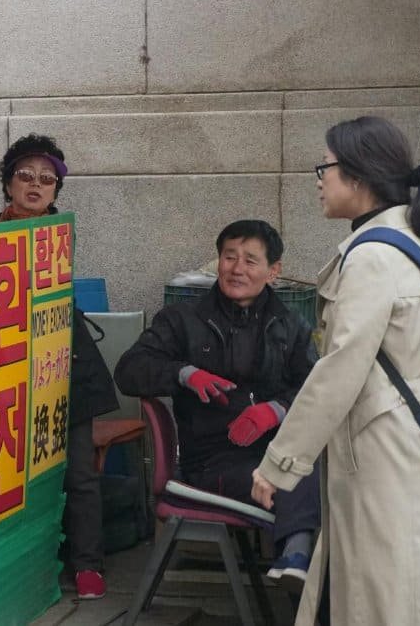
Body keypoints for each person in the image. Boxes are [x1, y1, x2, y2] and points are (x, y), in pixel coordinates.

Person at [250, 116, 420, 626]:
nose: (320, 180)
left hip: (385, 460)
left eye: (324, 167)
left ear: (358, 175)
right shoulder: (419, 244)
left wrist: (279, 463)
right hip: (412, 449)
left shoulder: (373, 257)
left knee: (390, 602)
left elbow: (339, 370)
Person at [0, 133, 119, 600]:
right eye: (25, 175)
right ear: (7, 184)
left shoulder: (56, 234)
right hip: (11, 372)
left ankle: (88, 566)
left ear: (55, 193)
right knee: (11, 471)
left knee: (79, 472)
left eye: (47, 180)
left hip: (66, 369)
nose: (35, 185)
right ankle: (17, 568)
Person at [113, 219, 319, 590]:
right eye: (229, 257)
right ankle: (297, 557)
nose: (237, 268)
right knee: (299, 476)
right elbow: (128, 371)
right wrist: (184, 373)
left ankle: (307, 574)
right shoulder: (183, 320)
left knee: (329, 471)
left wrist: (276, 410)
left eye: (251, 260)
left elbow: (316, 389)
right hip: (212, 461)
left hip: (276, 449)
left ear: (274, 272)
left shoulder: (290, 327)